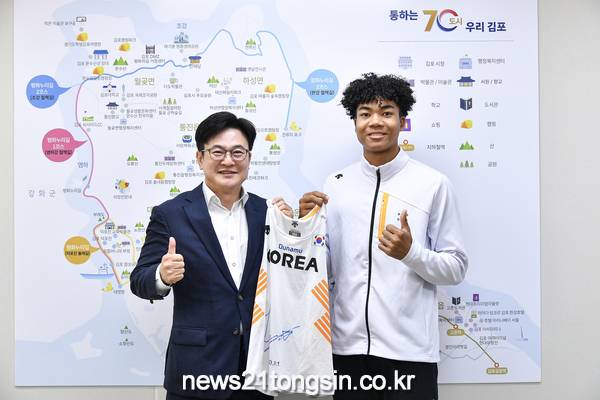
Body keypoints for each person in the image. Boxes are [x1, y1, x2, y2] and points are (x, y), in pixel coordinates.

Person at [299, 73, 469, 399]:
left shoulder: (433, 184)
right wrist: (304, 228)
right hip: (346, 351)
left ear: (402, 121)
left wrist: (411, 253)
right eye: (365, 114)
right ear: (355, 122)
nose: (375, 122)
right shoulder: (335, 184)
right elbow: (322, 268)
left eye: (386, 112)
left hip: (410, 355)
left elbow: (456, 268)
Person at [130, 111, 290, 400]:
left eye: (238, 152)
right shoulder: (170, 214)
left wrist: (290, 231)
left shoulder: (267, 213)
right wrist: (162, 276)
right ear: (200, 157)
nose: (228, 161)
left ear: (249, 158)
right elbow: (139, 281)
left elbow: (287, 279)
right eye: (218, 152)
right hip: (195, 370)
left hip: (256, 369)